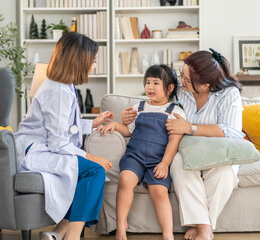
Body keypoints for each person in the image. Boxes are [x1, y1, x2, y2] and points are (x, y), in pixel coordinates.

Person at [121, 49, 244, 240]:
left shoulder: (229, 94)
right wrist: (128, 116)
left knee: (224, 174)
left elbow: (231, 131)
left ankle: (203, 227)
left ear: (205, 86)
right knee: (179, 165)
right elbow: (156, 95)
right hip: (188, 148)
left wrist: (190, 127)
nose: (181, 82)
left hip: (220, 149)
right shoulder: (180, 87)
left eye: (187, 80)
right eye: (182, 76)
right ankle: (204, 227)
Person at [15, 32, 114, 240]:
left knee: (93, 174)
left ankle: (57, 234)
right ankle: (72, 236)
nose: (94, 66)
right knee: (95, 171)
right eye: (93, 62)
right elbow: (58, 142)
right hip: (37, 152)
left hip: (45, 146)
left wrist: (91, 123)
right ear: (79, 62)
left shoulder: (64, 86)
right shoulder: (58, 91)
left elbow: (62, 127)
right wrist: (91, 157)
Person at [98, 65, 186, 240]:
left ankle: (168, 234)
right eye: (147, 82)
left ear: (170, 88)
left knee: (159, 191)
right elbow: (128, 131)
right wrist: (115, 125)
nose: (150, 87)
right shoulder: (139, 107)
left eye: (156, 83)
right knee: (125, 180)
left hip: (158, 160)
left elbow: (174, 141)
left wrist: (165, 164)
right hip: (135, 156)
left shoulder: (175, 111)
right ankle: (121, 225)